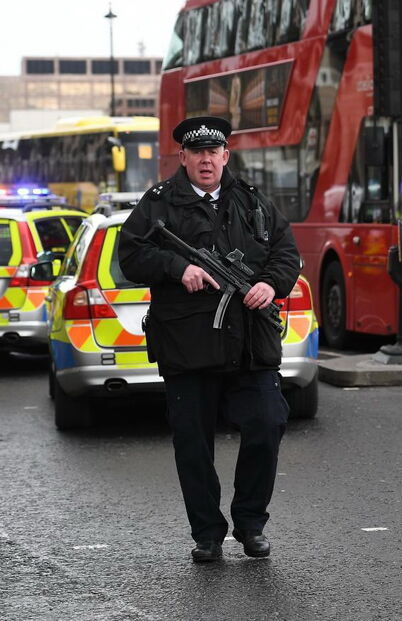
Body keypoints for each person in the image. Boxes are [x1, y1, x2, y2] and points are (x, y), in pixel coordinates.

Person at [118, 116, 300, 563]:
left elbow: (286, 251)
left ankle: (251, 523)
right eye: (196, 152)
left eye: (213, 152)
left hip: (249, 343)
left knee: (267, 423)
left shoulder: (252, 201)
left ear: (225, 156)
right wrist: (178, 268)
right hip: (187, 344)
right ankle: (207, 534)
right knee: (193, 444)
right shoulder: (159, 203)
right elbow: (131, 254)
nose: (205, 159)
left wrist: (272, 284)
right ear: (183, 157)